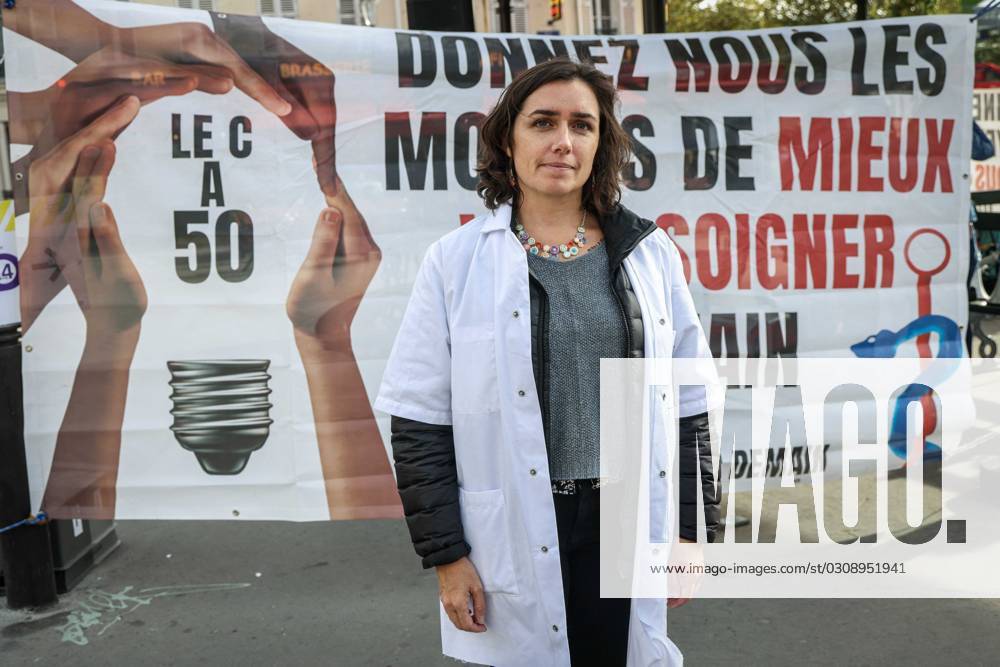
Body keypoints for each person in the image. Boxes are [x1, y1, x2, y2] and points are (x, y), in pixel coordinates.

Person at [375, 58, 719, 667]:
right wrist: (448, 559)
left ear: (601, 144)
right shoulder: (455, 264)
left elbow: (690, 401)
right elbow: (420, 422)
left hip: (623, 517)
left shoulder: (649, 255)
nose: (563, 141)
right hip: (509, 524)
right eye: (543, 122)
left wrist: (690, 535)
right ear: (509, 142)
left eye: (582, 125)